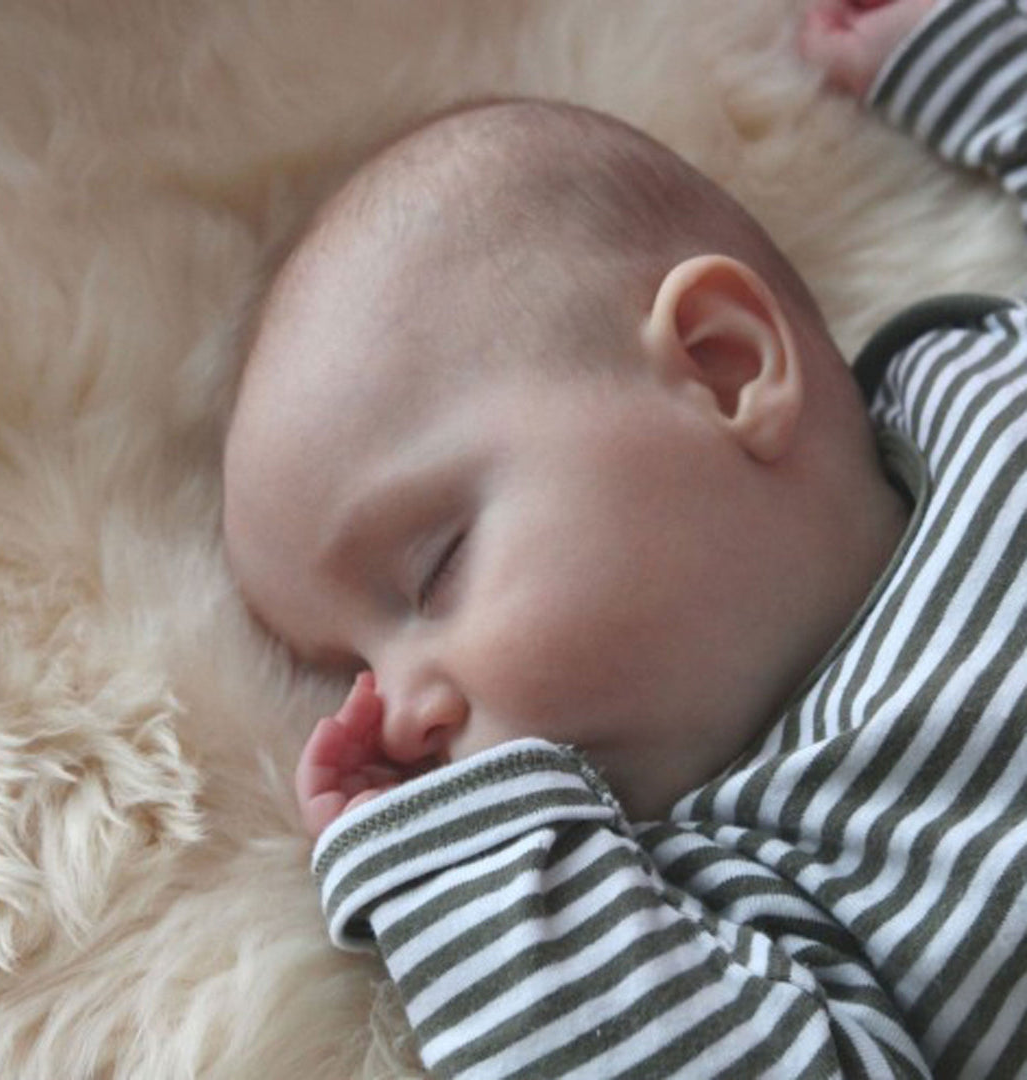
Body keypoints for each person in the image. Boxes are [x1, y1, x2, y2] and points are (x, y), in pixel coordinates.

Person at [222, 0, 1027, 1074]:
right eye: (353, 668)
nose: (400, 720)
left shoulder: (981, 391)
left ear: (722, 366)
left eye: (436, 568)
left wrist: (987, 67)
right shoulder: (730, 900)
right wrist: (473, 875)